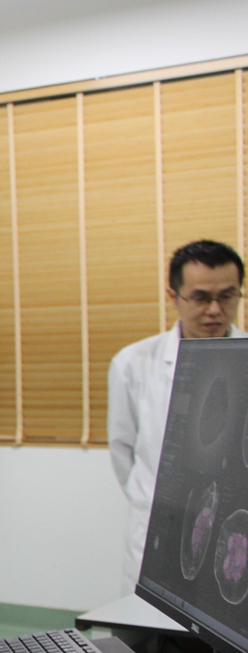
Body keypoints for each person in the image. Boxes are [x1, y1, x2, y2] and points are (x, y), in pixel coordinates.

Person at [109, 239, 247, 591]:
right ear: (174, 296)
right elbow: (122, 449)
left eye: (227, 296)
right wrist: (150, 499)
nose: (215, 310)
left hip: (235, 528)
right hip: (156, 523)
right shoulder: (134, 363)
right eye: (201, 297)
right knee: (145, 620)